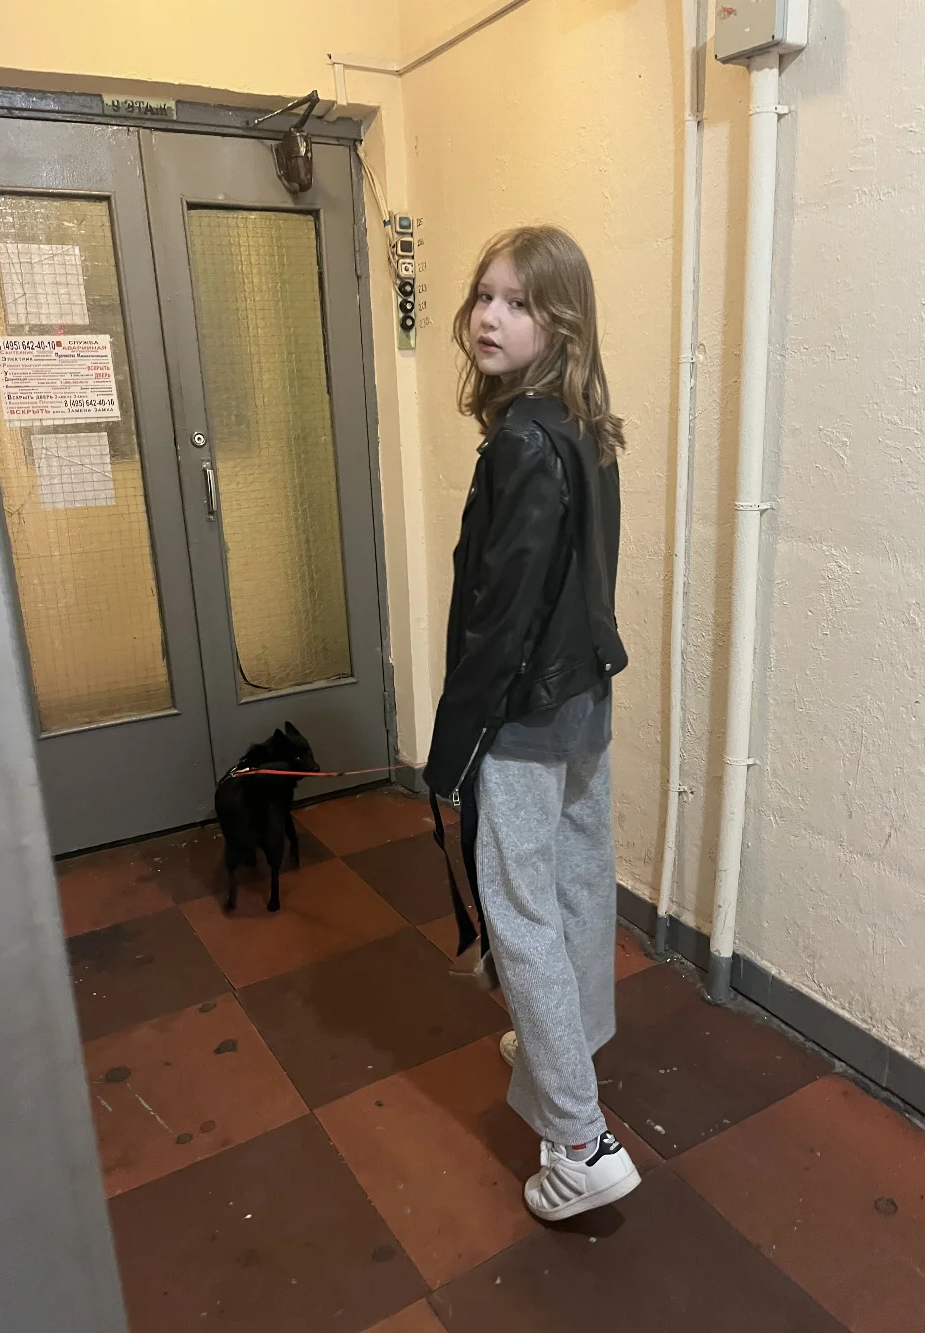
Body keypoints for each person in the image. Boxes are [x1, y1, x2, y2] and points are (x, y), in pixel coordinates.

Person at [423, 225, 640, 1222]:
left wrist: (454, 743)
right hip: (583, 696)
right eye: (484, 296)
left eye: (517, 302)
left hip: (523, 711)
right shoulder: (586, 426)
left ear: (561, 323)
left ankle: (580, 1141)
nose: (489, 317)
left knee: (521, 912)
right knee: (576, 882)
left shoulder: (521, 441)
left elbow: (500, 615)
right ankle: (570, 1042)